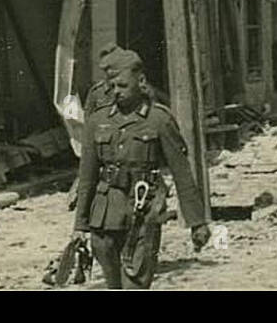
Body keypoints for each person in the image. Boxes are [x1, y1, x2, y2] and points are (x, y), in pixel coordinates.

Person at [72, 46, 210, 289]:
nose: (117, 92)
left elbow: (181, 172)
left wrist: (197, 221)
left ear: (141, 81)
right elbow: (86, 178)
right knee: (112, 284)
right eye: (113, 87)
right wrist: (79, 226)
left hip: (144, 211)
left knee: (135, 283)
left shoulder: (159, 120)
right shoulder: (97, 121)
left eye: (123, 86)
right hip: (104, 215)